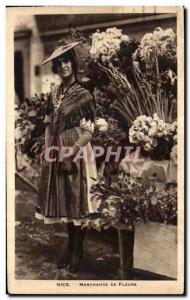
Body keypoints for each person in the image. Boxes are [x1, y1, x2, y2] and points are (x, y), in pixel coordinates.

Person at [35, 41, 100, 273]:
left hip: (77, 150)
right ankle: (70, 245)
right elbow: (49, 125)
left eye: (66, 61)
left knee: (78, 199)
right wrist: (47, 151)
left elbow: (88, 131)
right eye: (58, 63)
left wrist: (71, 152)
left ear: (73, 63)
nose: (63, 66)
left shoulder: (84, 94)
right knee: (65, 200)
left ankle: (78, 249)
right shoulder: (54, 93)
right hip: (57, 148)